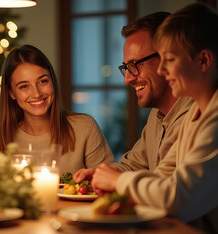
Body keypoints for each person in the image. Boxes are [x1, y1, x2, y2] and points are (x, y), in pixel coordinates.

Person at [91, 3, 218, 234]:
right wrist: (108, 178)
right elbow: (162, 178)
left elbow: (179, 198)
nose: (163, 70)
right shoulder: (198, 113)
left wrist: (120, 181)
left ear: (204, 61)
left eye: (170, 59)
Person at [73, 12, 193, 183]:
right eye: (126, 67)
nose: (127, 78)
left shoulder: (200, 116)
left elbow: (171, 190)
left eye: (135, 65)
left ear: (168, 59)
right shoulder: (157, 116)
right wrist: (98, 174)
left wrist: (116, 182)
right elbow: (133, 166)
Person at [0, 45, 114, 175]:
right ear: (11, 93)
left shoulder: (84, 127)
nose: (36, 94)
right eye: (24, 86)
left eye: (43, 81)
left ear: (52, 81)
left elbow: (110, 185)